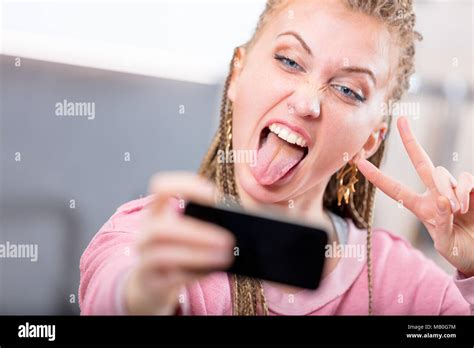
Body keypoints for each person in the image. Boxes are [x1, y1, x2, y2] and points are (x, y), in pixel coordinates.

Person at [79, 0, 474, 315]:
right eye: (289, 61)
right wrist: (145, 295)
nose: (306, 103)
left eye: (348, 90)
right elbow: (115, 294)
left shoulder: (404, 283)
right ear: (237, 73)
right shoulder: (148, 236)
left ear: (371, 138)